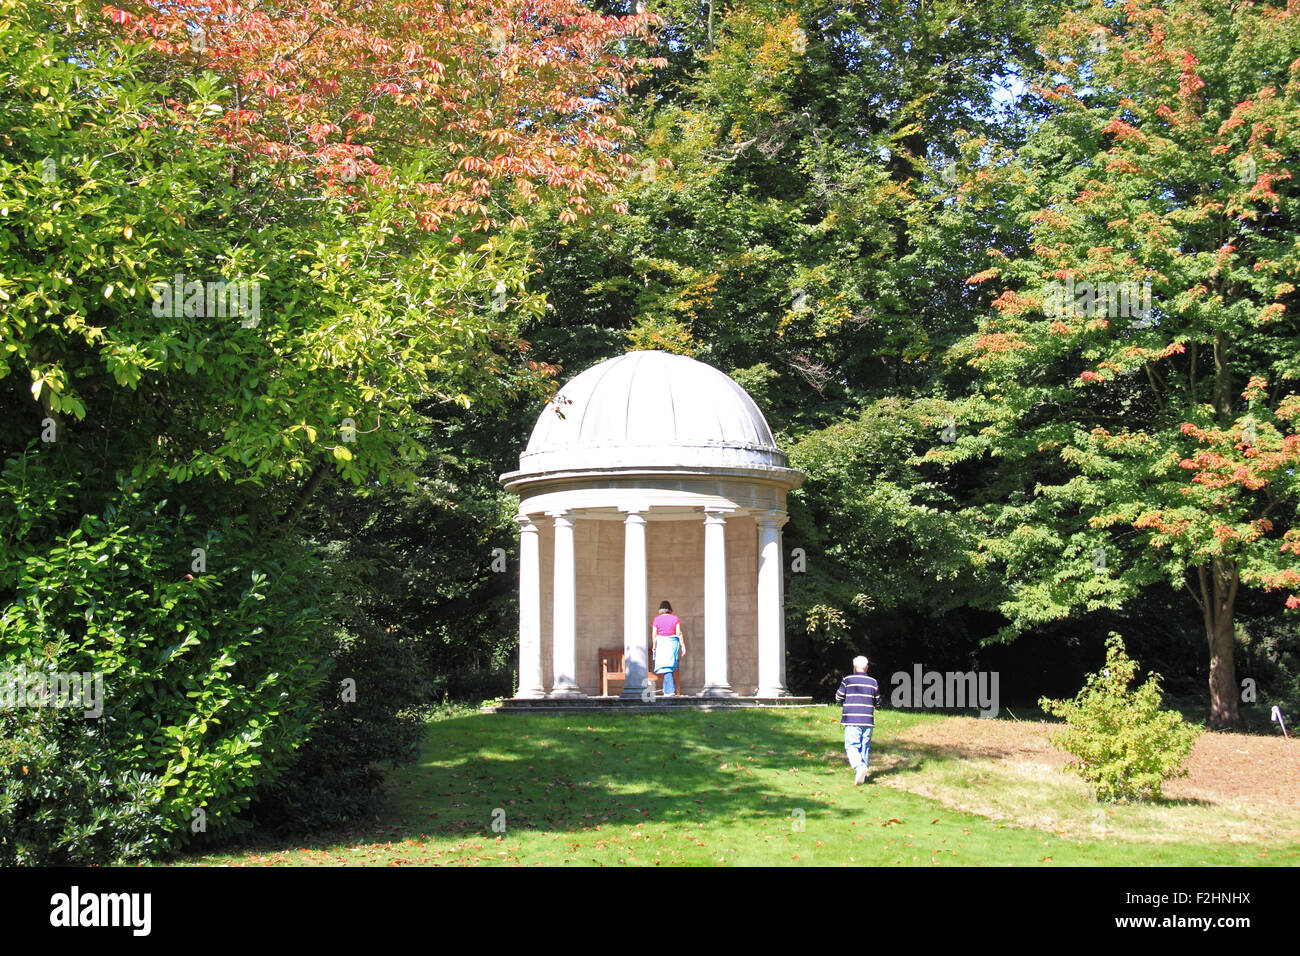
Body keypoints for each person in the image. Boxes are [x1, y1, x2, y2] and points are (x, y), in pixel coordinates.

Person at [834, 656, 880, 785]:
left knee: (851, 746)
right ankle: (863, 778)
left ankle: (859, 767)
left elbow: (838, 697)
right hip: (868, 721)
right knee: (864, 748)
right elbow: (878, 700)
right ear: (867, 667)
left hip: (852, 719)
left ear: (854, 667)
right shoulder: (873, 682)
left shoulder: (847, 680)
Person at [650, 601, 686, 696]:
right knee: (669, 666)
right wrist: (683, 646)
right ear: (670, 609)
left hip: (661, 643)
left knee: (665, 667)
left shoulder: (656, 619)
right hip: (672, 643)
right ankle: (668, 690)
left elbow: (654, 634)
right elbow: (679, 633)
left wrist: (654, 645)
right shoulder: (675, 618)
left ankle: (668, 690)